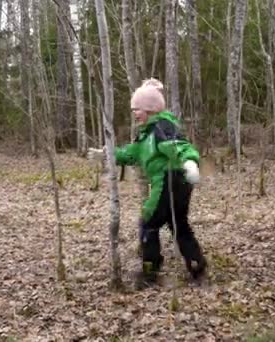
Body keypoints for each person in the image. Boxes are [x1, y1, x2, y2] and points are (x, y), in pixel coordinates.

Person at [88, 79, 207, 288]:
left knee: (148, 224)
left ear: (151, 109)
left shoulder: (162, 126)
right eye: (134, 109)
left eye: (138, 109)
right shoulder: (146, 134)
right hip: (176, 183)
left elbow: (180, 145)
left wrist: (190, 162)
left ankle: (150, 272)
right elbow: (131, 153)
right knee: (179, 224)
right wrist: (107, 154)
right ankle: (197, 266)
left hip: (170, 181)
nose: (135, 113)